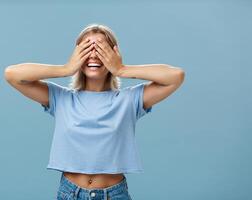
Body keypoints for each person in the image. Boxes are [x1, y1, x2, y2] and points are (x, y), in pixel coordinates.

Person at [4, 23, 185, 200]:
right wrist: (66, 68)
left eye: (101, 48)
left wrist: (122, 69)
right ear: (77, 55)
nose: (94, 55)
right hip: (69, 193)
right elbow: (12, 74)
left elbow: (176, 76)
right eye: (87, 48)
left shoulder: (129, 100)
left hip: (113, 195)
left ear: (113, 54)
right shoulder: (61, 98)